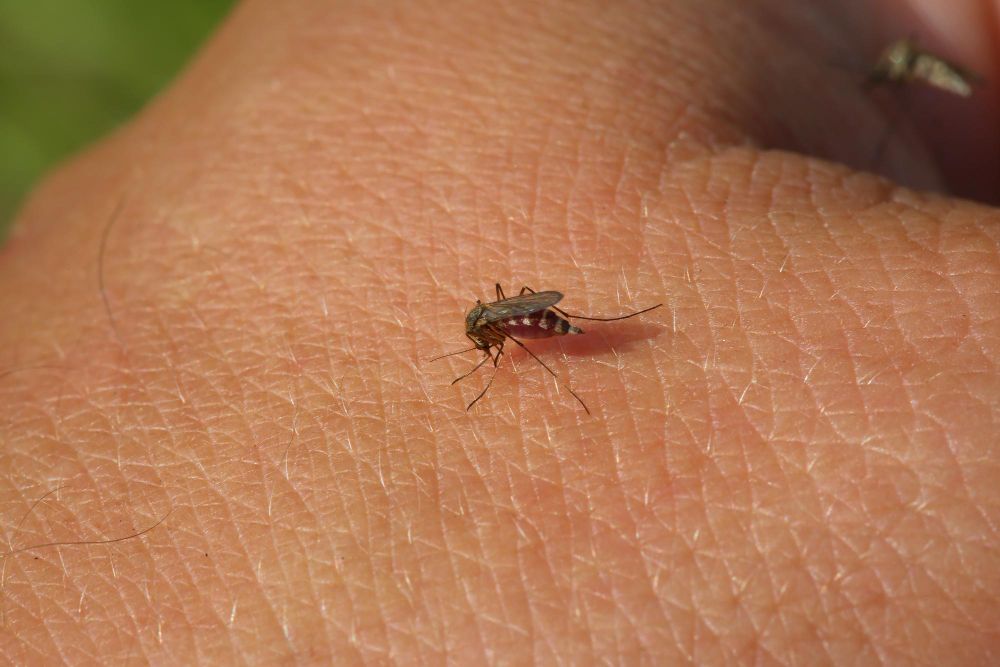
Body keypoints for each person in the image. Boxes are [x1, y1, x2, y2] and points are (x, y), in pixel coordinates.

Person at [1, 0, 996, 662]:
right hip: (536, 307)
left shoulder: (503, 326)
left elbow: (521, 313)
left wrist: (532, 340)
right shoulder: (493, 318)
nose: (491, 342)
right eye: (491, 340)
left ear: (486, 331)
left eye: (486, 342)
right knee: (541, 327)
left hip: (550, 312)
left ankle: (608, 328)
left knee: (547, 336)